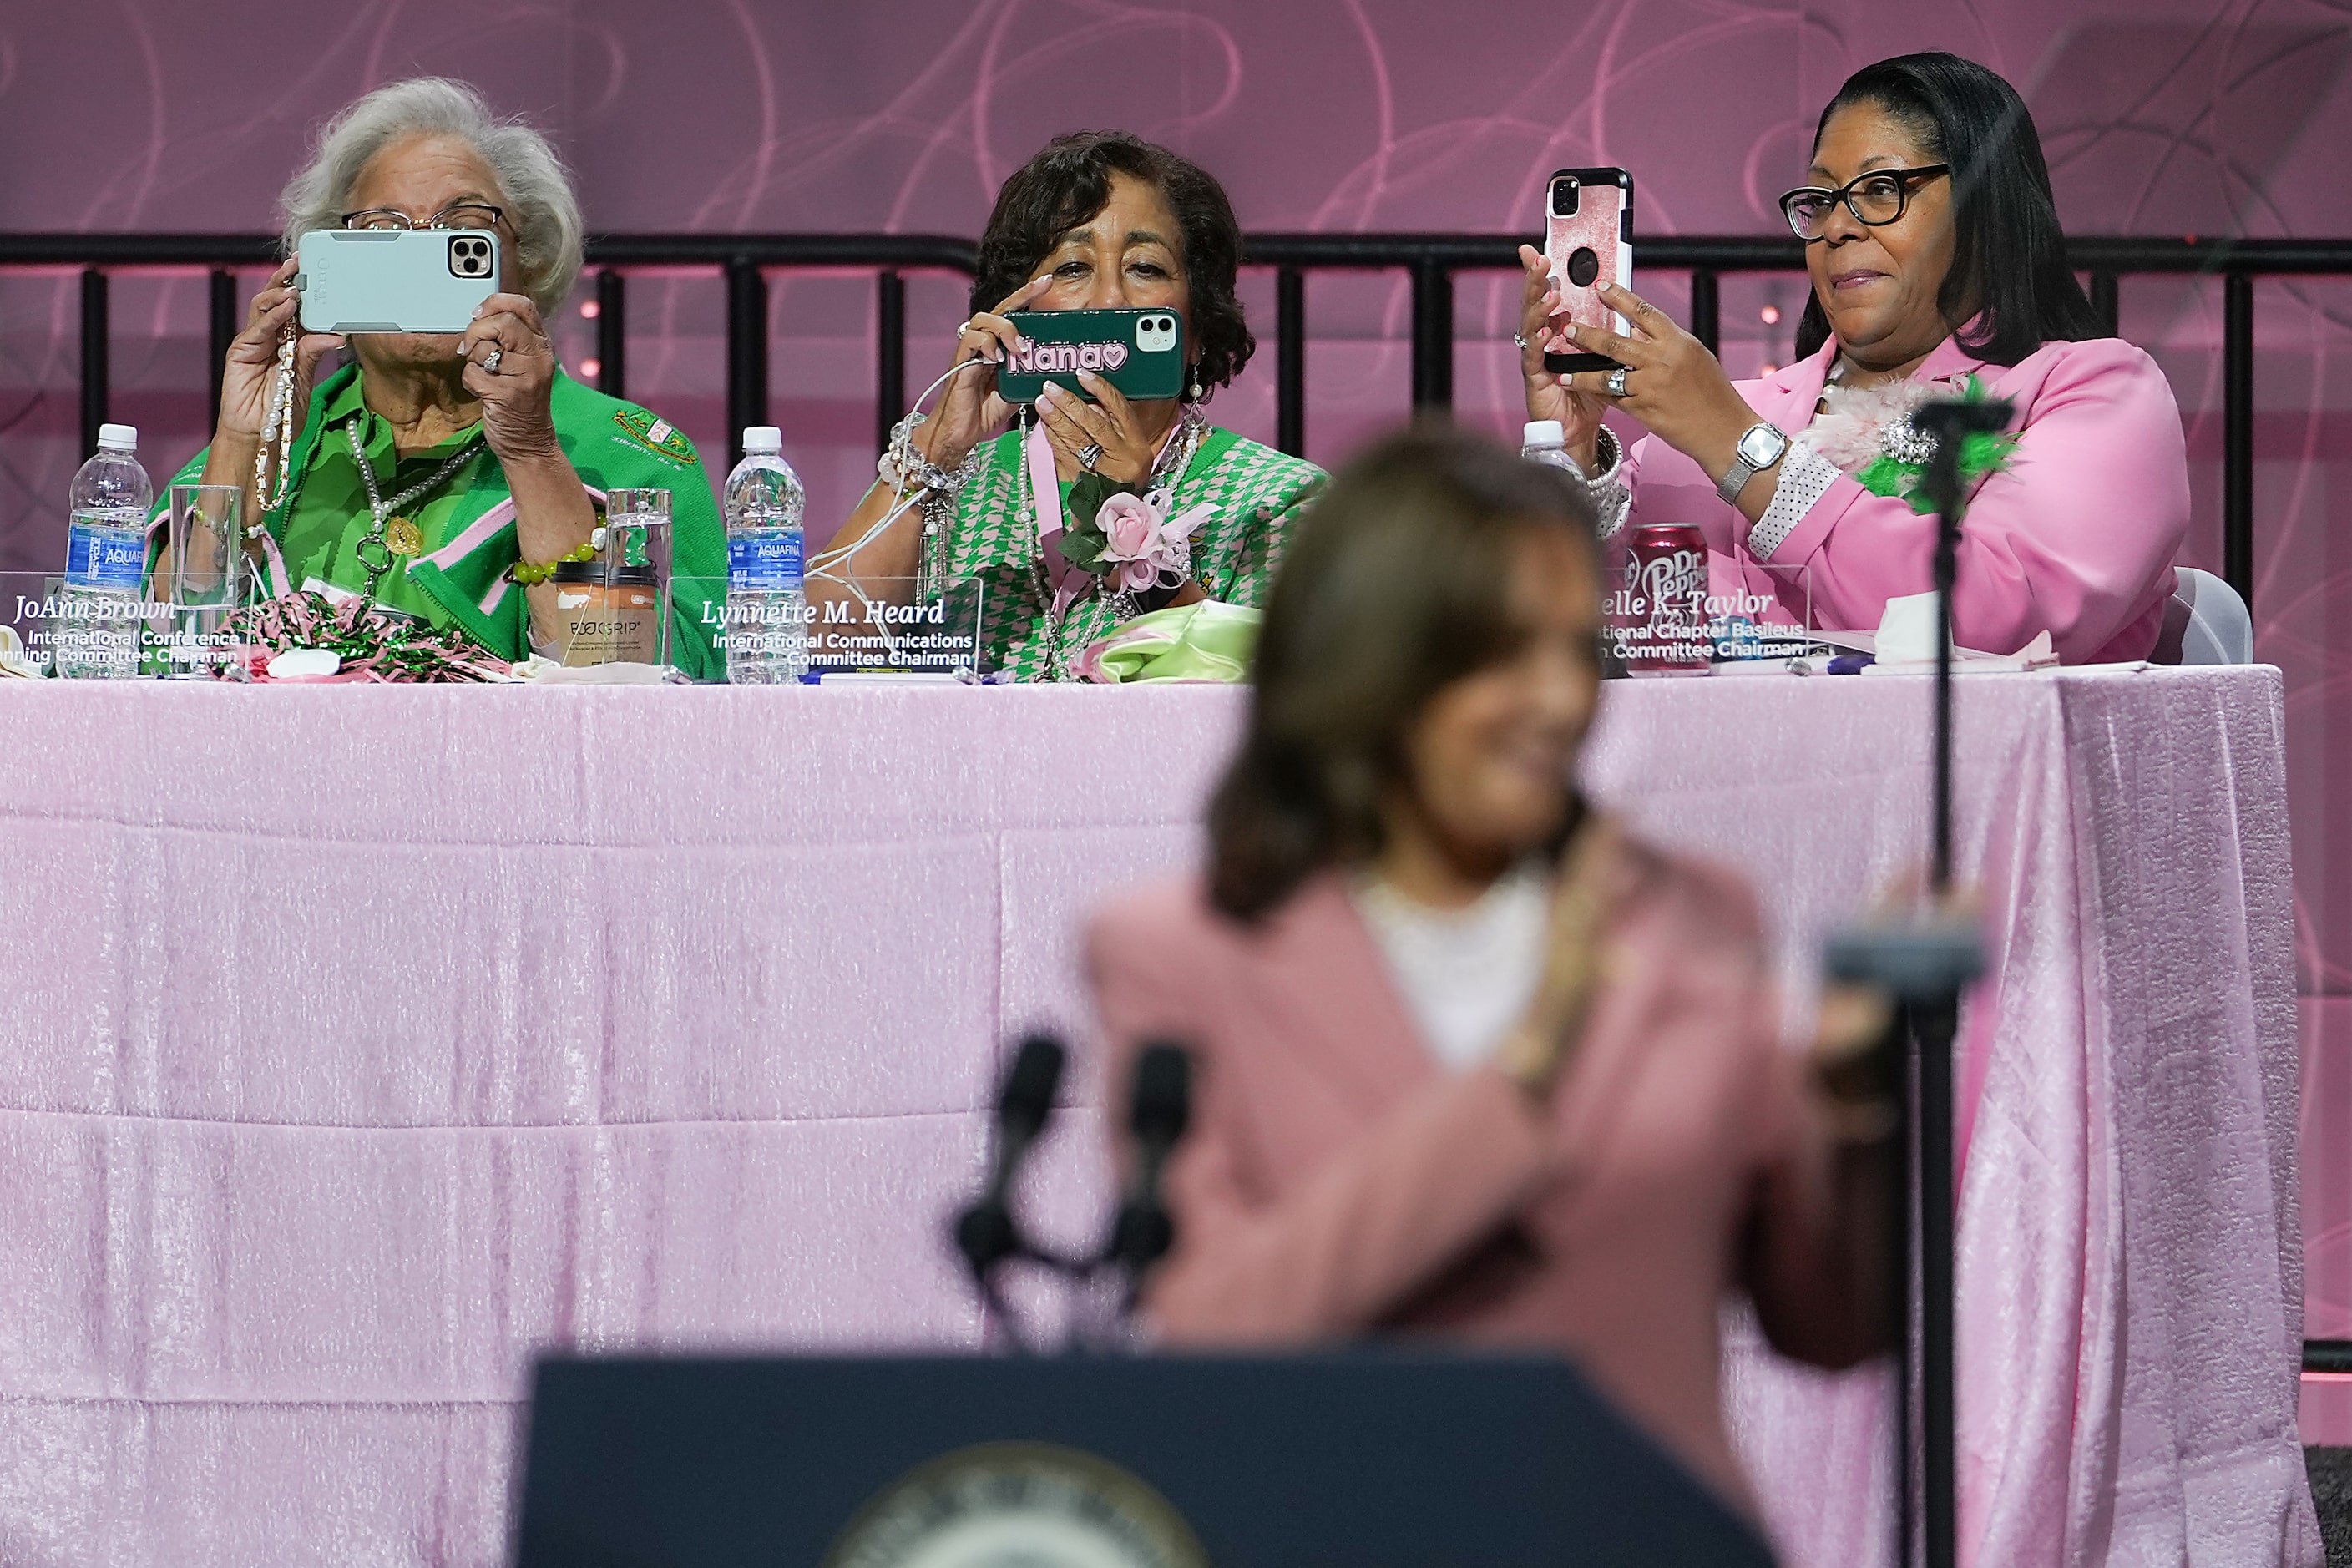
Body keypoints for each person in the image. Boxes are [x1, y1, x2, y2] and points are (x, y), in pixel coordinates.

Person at [1086, 427, 1896, 1516]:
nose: (1560, 701)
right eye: (1504, 654)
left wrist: (1847, 1110)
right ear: (1370, 666)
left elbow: (1833, 1326)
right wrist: (1526, 1066)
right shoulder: (1181, 952)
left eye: (1573, 650)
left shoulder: (1691, 911)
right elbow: (1219, 1328)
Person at [1516, 52, 2188, 665]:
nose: (1837, 225)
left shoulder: (2093, 393)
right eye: (1821, 200)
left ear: (1984, 206)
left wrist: (1737, 446)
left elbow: (1996, 626)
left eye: (1879, 190)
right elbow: (1548, 629)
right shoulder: (1717, 419)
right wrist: (1570, 454)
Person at [158, 78, 728, 677]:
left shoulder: (625, 454)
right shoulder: (278, 443)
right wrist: (244, 438)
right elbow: (156, 655)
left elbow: (633, 680)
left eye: (463, 228)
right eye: (383, 230)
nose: (422, 254)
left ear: (526, 262)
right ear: (330, 266)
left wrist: (533, 452)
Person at [815, 131, 1325, 681]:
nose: (1108, 298)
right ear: (1015, 310)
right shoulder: (957, 487)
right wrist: (935, 451)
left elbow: (1285, 704)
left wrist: (1132, 532)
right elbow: (813, 653)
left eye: (1145, 268)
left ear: (1197, 326)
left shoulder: (1275, 500)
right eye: (1073, 268)